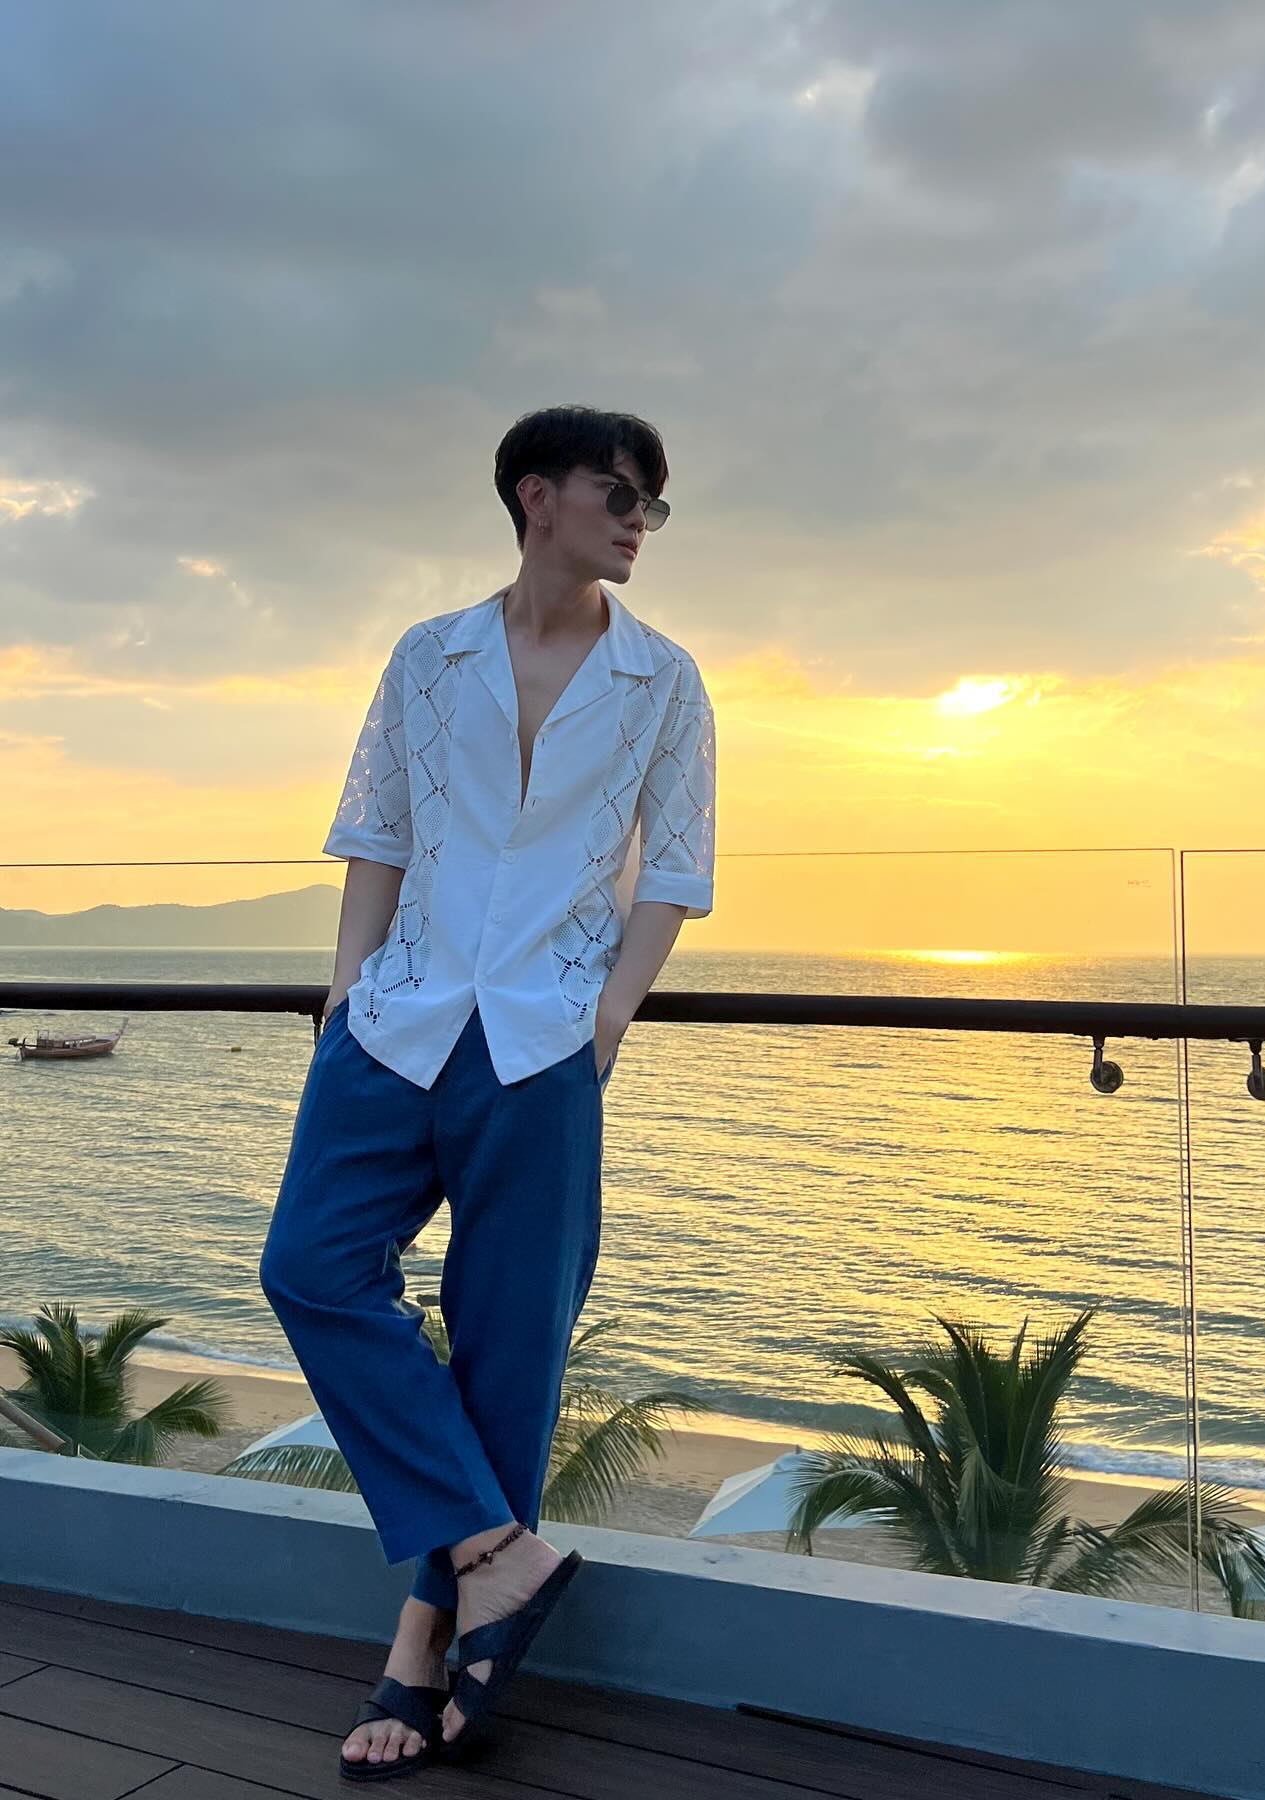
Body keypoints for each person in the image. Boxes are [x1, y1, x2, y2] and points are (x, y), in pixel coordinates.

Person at [259, 405, 716, 1779]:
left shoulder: (664, 680)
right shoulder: (430, 655)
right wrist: (346, 990)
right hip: (395, 1020)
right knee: (309, 1268)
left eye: (652, 505)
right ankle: (500, 1555)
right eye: (619, 493)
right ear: (536, 496)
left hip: (541, 1040)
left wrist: (607, 1019)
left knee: (511, 1344)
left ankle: (423, 1652)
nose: (639, 522)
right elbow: (377, 831)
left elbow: (676, 869)